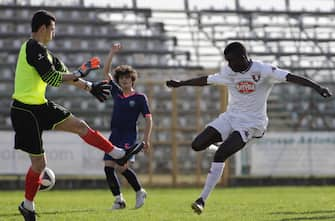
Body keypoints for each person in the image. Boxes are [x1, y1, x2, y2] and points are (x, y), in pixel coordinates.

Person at [166, 41, 332, 215]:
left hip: (252, 123)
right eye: (227, 61)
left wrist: (317, 87)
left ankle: (202, 199)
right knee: (197, 145)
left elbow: (292, 77)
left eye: (231, 60)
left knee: (221, 154)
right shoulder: (229, 72)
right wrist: (181, 83)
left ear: (243, 58)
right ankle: (221, 147)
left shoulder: (264, 70)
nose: (229, 64)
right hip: (230, 117)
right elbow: (207, 80)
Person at [11, 10, 143, 221]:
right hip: (24, 111)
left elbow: (68, 76)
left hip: (40, 106)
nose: (54, 34)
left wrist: (90, 87)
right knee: (39, 166)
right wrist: (82, 72)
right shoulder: (32, 48)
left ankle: (117, 153)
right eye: (52, 30)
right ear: (43, 28)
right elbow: (53, 78)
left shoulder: (46, 53)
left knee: (81, 126)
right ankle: (28, 206)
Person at [102, 43, 152, 210]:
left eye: (127, 78)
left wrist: (146, 140)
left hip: (128, 136)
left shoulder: (140, 98)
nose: (124, 80)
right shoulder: (116, 93)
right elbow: (105, 72)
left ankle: (139, 191)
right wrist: (112, 52)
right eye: (121, 78)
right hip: (114, 135)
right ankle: (119, 200)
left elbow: (149, 119)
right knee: (108, 167)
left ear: (132, 79)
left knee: (122, 167)